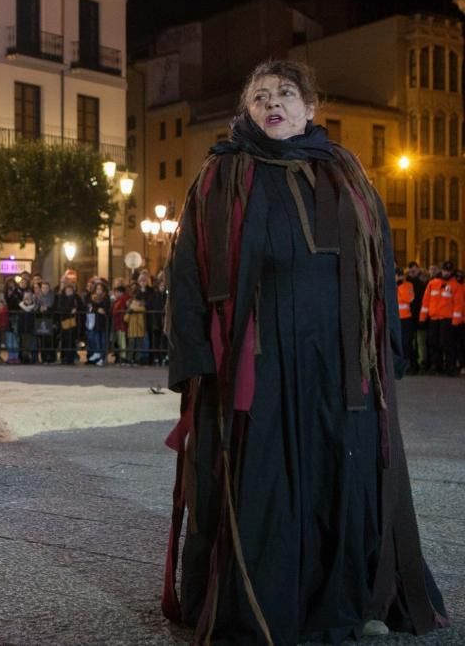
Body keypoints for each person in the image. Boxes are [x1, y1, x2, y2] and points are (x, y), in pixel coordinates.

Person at [163, 60, 447, 644]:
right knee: (265, 476)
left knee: (344, 474)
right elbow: (187, 270)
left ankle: (354, 597)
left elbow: (379, 265)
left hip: (339, 362)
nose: (273, 103)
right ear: (247, 109)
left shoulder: (346, 173)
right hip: (258, 358)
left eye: (286, 94)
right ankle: (264, 604)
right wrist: (193, 355)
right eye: (261, 95)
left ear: (310, 108)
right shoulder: (222, 173)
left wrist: (386, 349)